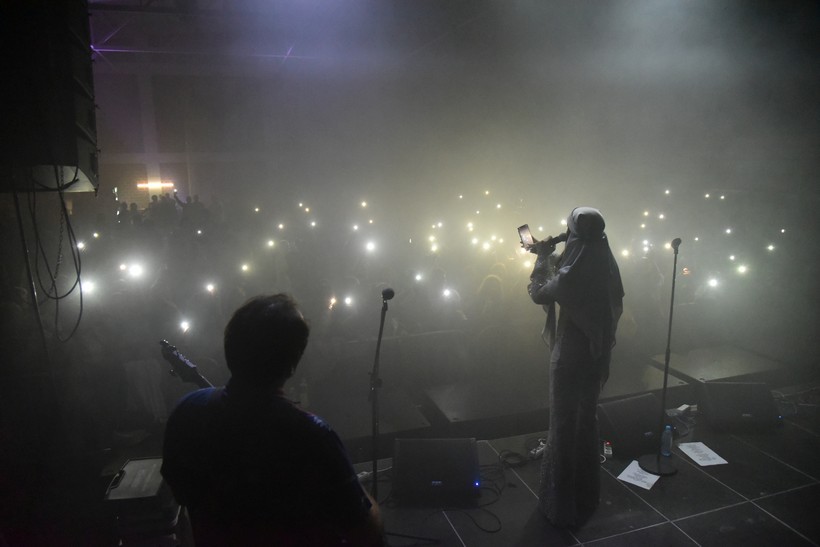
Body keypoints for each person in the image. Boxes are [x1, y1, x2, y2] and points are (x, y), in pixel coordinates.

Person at [161, 294, 384, 546]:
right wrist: (360, 492)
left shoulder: (187, 411)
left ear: (229, 347)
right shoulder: (312, 436)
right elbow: (366, 533)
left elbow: (179, 493)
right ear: (293, 364)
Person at [525, 207, 624, 528]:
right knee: (587, 420)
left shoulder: (571, 272)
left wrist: (541, 259)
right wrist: (552, 249)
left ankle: (560, 504)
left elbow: (540, 293)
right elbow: (575, 266)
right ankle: (586, 495)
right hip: (596, 353)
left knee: (564, 424)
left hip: (570, 354)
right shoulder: (603, 258)